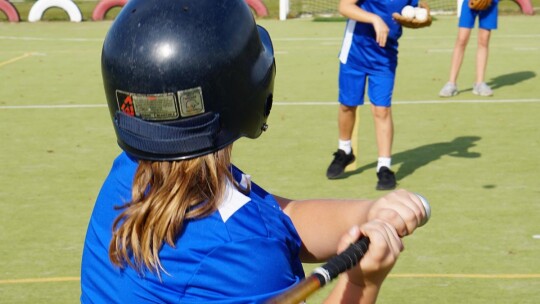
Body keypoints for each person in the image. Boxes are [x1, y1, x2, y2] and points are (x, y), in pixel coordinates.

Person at [80, 0, 429, 303]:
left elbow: (283, 219)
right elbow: (253, 238)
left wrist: (368, 214)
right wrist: (362, 282)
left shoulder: (132, 174)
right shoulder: (242, 253)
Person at [326, 0, 431, 190]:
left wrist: (424, 16)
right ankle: (344, 150)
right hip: (355, 52)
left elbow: (421, 7)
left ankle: (384, 166)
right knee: (347, 105)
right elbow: (344, 6)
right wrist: (374, 19)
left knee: (382, 110)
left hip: (385, 56)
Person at [439, 0, 499, 97]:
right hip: (469, 2)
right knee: (462, 39)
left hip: (490, 3)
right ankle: (451, 84)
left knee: (483, 40)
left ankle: (479, 84)